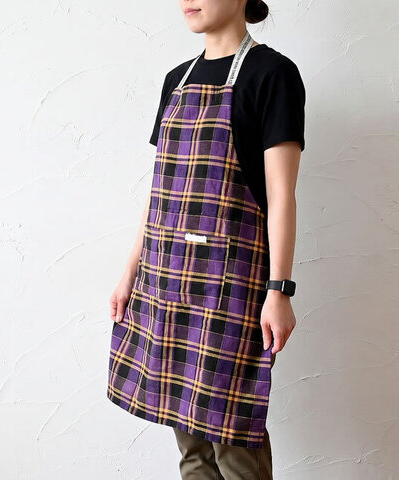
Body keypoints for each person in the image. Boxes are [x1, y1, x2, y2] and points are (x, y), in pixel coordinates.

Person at [107, 0, 305, 478]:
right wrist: (130, 272)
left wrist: (279, 291)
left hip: (228, 286)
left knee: (233, 441)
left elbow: (281, 195)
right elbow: (161, 190)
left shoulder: (272, 74)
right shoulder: (176, 80)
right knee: (191, 447)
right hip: (166, 279)